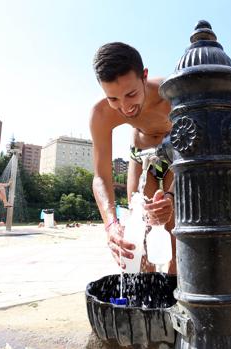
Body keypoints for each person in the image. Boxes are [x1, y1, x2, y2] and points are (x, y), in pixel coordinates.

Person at [90, 42, 175, 273]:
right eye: (114, 99)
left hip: (177, 156)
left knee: (174, 232)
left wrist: (170, 195)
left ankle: (176, 295)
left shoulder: (172, 94)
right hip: (141, 156)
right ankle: (146, 302)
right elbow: (100, 177)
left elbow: (196, 146)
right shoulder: (101, 114)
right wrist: (110, 224)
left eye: (131, 94)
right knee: (140, 238)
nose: (125, 107)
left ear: (144, 76)